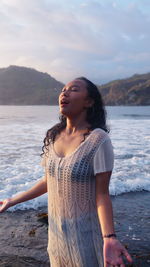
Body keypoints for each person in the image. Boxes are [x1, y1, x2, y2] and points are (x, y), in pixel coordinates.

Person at [0, 77, 133, 267]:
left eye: (74, 89)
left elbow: (102, 195)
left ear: (89, 102)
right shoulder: (54, 136)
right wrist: (13, 200)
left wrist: (109, 237)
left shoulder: (98, 140)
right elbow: (49, 181)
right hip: (56, 236)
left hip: (85, 236)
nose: (65, 92)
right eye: (63, 89)